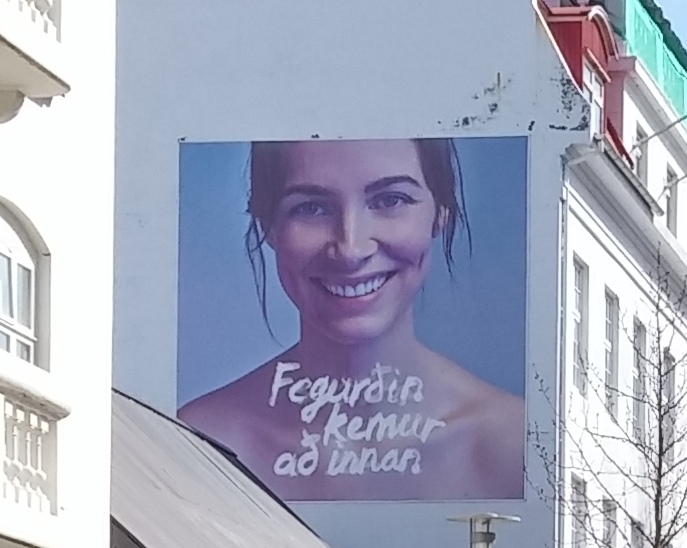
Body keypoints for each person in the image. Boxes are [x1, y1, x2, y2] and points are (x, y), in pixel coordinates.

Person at [173, 138, 528, 502]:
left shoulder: (515, 447)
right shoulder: (199, 443)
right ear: (268, 226)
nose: (350, 249)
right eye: (311, 208)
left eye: (390, 200)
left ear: (440, 214)